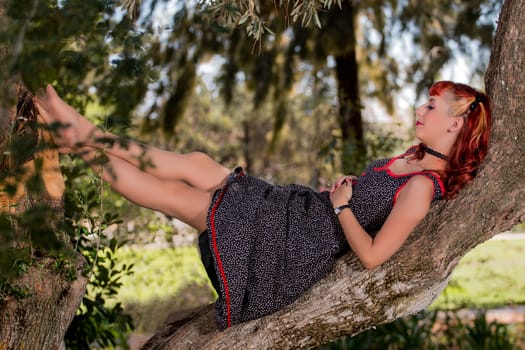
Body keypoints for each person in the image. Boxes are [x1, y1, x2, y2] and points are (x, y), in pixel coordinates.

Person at [34, 81, 491, 329]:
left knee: (176, 196)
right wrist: (346, 193)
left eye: (431, 107)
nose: (420, 110)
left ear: (454, 126)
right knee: (194, 163)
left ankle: (73, 139)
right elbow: (362, 195)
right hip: (295, 211)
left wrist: (342, 207)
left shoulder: (424, 187)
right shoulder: (410, 160)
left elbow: (372, 256)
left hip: (293, 242)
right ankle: (76, 128)